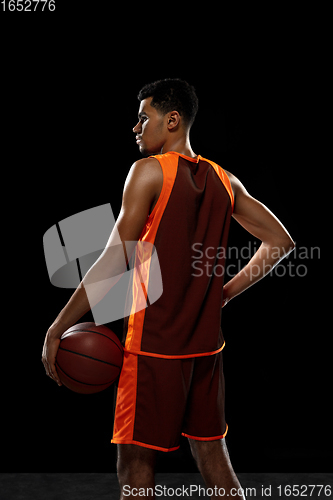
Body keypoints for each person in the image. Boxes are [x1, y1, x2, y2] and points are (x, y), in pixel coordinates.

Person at [42, 79, 295, 499]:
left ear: (172, 120)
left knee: (135, 467)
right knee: (214, 457)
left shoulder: (147, 171)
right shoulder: (224, 180)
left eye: (144, 118)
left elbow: (114, 258)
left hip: (152, 347)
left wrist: (58, 326)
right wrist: (224, 293)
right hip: (205, 348)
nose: (136, 128)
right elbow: (281, 242)